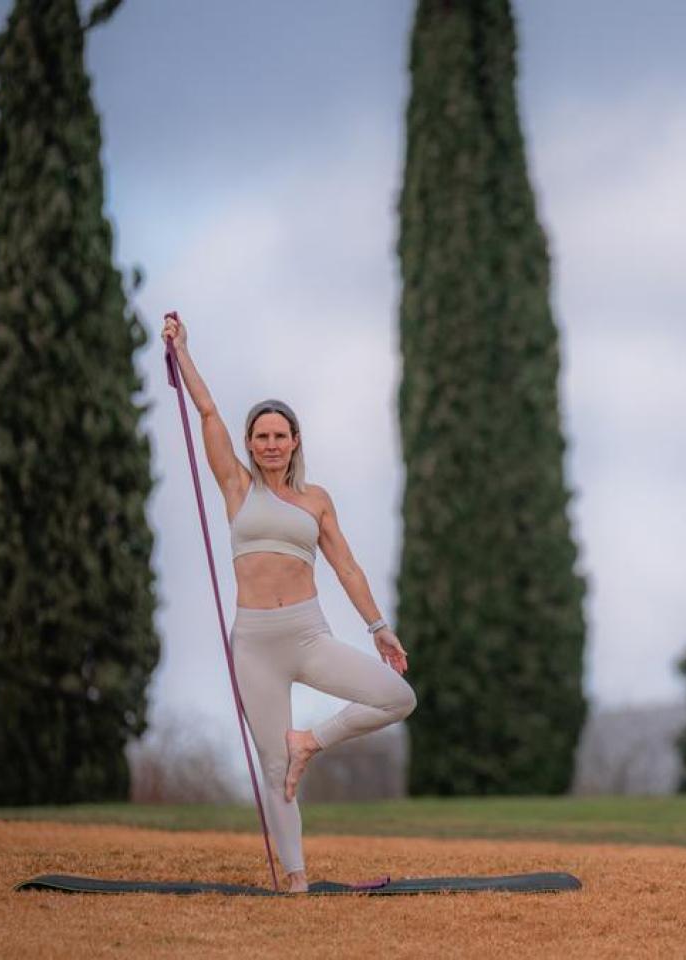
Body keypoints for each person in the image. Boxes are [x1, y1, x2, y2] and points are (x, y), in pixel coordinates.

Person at [161, 311, 416, 893]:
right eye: (261, 436)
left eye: (280, 435)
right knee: (274, 768)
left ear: (295, 441)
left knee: (397, 696)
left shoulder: (316, 500)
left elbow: (346, 566)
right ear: (250, 443)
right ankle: (296, 881)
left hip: (308, 635)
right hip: (253, 643)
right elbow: (207, 413)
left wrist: (379, 626)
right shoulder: (235, 486)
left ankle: (312, 742)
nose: (270, 444)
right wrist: (183, 353)